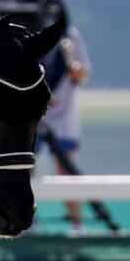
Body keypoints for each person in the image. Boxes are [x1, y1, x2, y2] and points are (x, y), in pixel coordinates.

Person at [37, 24, 91, 230]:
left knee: (66, 170)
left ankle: (77, 226)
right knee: (25, 168)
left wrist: (71, 64)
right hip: (34, 113)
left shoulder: (69, 35)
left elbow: (83, 74)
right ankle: (28, 224)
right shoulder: (27, 29)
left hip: (64, 117)